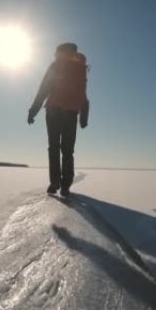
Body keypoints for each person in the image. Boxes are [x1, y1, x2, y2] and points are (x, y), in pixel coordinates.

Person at [28, 42, 89, 197]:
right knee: (68, 151)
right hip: (71, 114)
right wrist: (84, 116)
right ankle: (66, 186)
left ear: (61, 52)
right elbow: (83, 94)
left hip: (54, 111)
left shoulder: (56, 66)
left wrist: (33, 111)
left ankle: (55, 182)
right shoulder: (80, 67)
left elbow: (44, 89)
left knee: (54, 148)